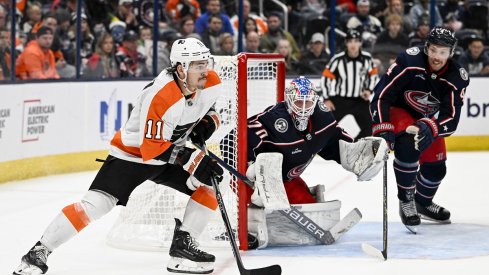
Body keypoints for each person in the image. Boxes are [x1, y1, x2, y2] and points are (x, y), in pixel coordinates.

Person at [13, 37, 226, 275]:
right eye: (197, 65)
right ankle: (37, 254)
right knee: (95, 206)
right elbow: (152, 148)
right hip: (132, 157)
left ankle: (182, 249)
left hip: (168, 155)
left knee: (211, 183)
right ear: (180, 69)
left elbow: (214, 108)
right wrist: (192, 159)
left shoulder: (211, 82)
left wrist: (209, 122)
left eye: (206, 63)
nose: (205, 70)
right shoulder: (162, 95)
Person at [244, 76, 388, 246]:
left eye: (308, 103)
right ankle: (248, 228)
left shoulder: (322, 118)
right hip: (254, 180)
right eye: (299, 103)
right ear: (289, 101)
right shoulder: (272, 120)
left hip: (284, 179)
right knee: (258, 203)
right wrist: (252, 172)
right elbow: (236, 140)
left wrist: (359, 155)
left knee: (309, 209)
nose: (304, 108)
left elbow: (335, 143)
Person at [370, 26, 470, 231]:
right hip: (400, 110)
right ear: (426, 48)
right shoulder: (409, 62)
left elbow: (451, 118)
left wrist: (431, 126)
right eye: (433, 50)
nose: (436, 56)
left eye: (443, 52)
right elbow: (381, 95)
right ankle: (406, 200)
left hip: (427, 119)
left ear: (451, 53)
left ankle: (422, 202)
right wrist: (382, 126)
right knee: (408, 145)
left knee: (437, 169)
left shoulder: (456, 77)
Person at [321, 29, 379, 140]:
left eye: (356, 41)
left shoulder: (367, 59)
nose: (353, 44)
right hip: (340, 100)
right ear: (346, 43)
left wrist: (369, 90)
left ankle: (355, 146)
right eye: (350, 41)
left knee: (369, 127)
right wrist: (327, 99)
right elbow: (325, 78)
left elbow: (373, 76)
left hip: (360, 100)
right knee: (327, 125)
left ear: (360, 43)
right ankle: (327, 147)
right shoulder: (338, 60)